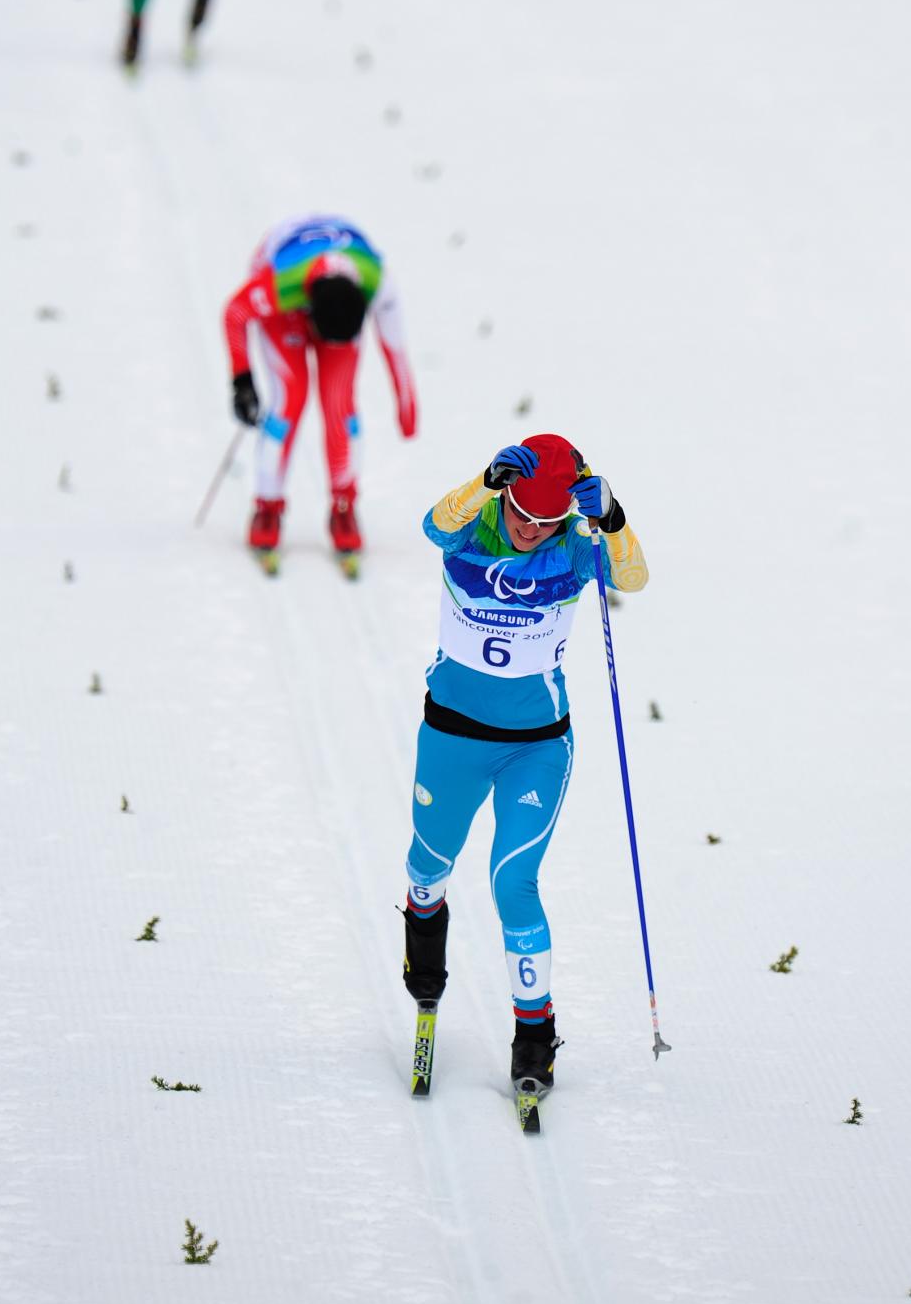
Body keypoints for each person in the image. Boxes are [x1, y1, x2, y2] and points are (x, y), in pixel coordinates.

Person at [402, 435, 648, 1094]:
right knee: (428, 869)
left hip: (537, 746)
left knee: (513, 882)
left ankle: (534, 1036)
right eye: (522, 516)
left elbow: (633, 578)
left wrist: (614, 519)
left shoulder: (574, 547)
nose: (533, 531)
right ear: (505, 495)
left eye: (548, 521)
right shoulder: (471, 532)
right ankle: (425, 975)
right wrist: (483, 482)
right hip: (453, 736)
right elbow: (433, 524)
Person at [223, 216, 417, 560]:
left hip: (335, 293)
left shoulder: (378, 282)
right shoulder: (280, 285)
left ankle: (344, 505)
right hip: (289, 303)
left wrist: (406, 403)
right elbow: (236, 314)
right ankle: (267, 505)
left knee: (339, 405)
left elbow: (394, 343)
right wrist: (243, 381)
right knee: (289, 400)